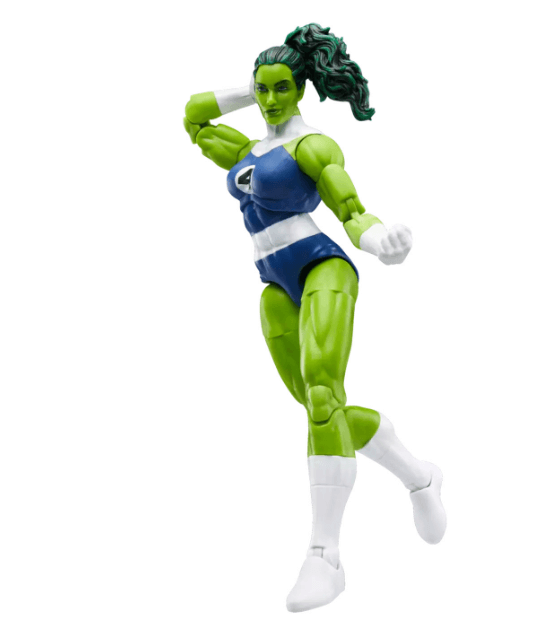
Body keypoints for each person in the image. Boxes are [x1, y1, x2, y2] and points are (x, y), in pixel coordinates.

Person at [183, 23, 446, 613]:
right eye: (264, 88)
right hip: (273, 285)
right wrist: (252, 90)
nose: (272, 98)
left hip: (321, 266)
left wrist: (379, 240)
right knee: (318, 409)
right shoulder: (245, 151)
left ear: (301, 88)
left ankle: (324, 556)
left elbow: (349, 208)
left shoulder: (312, 146)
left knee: (323, 394)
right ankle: (419, 475)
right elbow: (193, 118)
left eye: (283, 87)